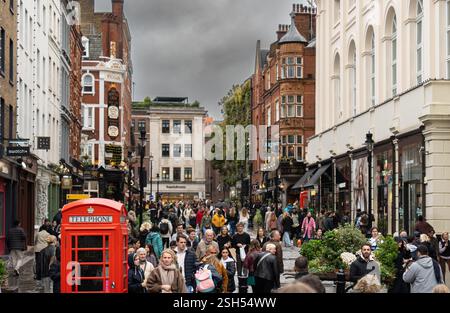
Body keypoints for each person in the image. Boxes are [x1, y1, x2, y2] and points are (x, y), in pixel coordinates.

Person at [231, 222, 251, 293]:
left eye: (241, 227)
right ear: (237, 228)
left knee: (245, 268)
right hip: (238, 254)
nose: (240, 228)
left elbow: (249, 244)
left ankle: (245, 282)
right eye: (238, 227)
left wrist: (245, 245)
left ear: (243, 227)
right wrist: (237, 245)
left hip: (245, 253)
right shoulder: (235, 236)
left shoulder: (247, 235)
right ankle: (240, 281)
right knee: (239, 268)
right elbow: (232, 245)